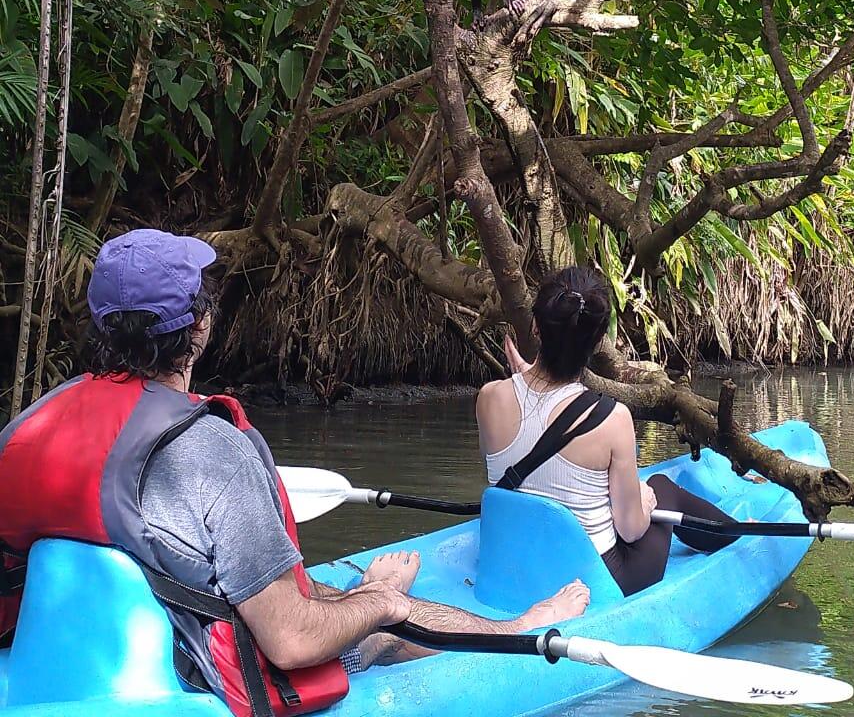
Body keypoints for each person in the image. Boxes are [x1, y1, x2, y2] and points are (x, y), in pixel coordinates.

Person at [0, 230, 588, 717]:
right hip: (190, 676)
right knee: (376, 624)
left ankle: (369, 598)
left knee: (324, 593)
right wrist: (381, 603)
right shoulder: (211, 449)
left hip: (62, 658)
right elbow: (291, 641)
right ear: (199, 328)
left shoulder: (31, 426)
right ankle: (517, 629)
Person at [476, 266, 740, 597]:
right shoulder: (613, 418)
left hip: (515, 568)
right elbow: (631, 531)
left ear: (535, 326)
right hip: (593, 582)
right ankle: (737, 535)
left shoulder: (488, 398)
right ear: (599, 340)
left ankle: (731, 531)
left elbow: (530, 433)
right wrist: (646, 500)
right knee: (660, 486)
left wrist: (528, 379)